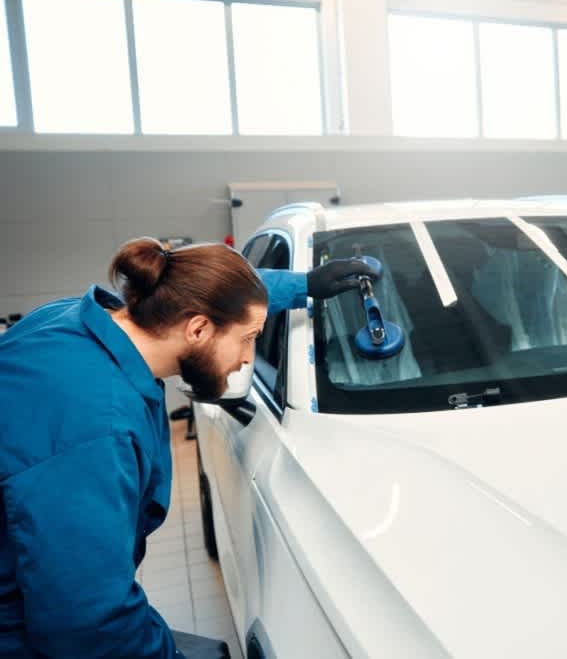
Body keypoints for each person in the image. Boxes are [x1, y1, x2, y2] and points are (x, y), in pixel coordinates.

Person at [0, 238, 377, 657]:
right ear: (197, 329)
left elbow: (209, 295)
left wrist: (303, 284)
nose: (245, 359)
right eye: (249, 338)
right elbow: (86, 623)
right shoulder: (96, 431)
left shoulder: (71, 320)